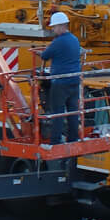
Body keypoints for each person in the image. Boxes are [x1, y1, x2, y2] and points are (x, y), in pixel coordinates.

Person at [39, 10, 82, 143]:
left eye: (54, 27)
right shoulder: (74, 39)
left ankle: (55, 140)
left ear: (61, 26)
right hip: (74, 81)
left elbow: (44, 55)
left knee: (57, 112)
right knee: (72, 112)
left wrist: (42, 52)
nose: (53, 30)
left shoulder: (59, 41)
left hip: (60, 82)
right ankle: (73, 138)